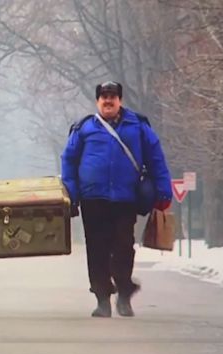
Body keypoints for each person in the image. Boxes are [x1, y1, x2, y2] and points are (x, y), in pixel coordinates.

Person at [61, 81, 172, 318]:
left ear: (120, 100)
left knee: (123, 247)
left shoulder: (138, 127)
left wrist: (163, 192)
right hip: (93, 199)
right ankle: (102, 299)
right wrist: (71, 193)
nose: (108, 100)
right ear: (97, 101)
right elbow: (69, 161)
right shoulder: (84, 128)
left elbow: (156, 160)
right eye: (103, 96)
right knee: (97, 250)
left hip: (125, 198)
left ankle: (123, 292)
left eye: (112, 96)